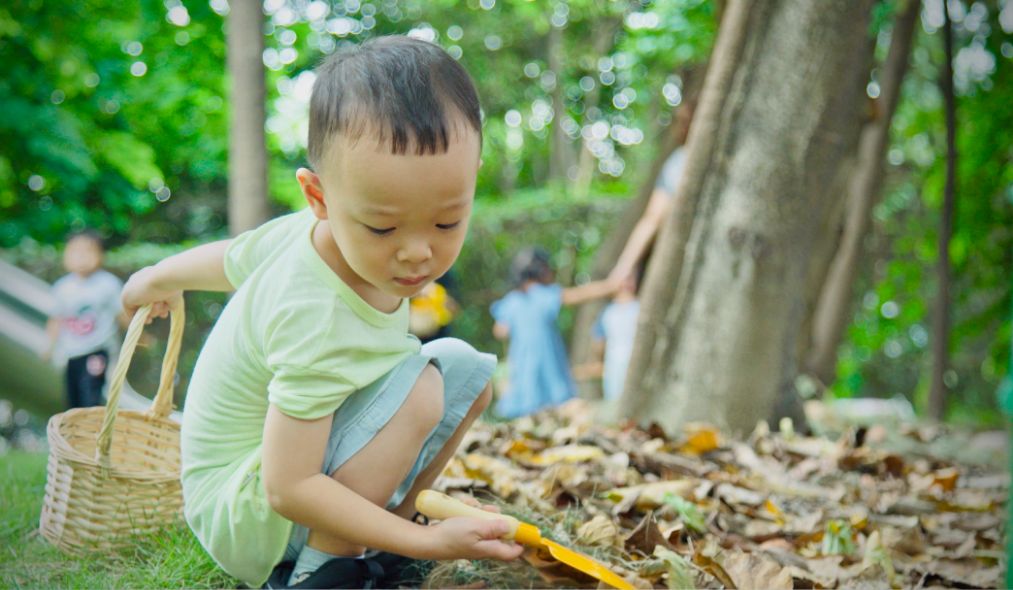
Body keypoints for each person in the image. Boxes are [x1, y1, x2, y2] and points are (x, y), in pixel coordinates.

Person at [120, 36, 523, 589]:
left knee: (466, 371)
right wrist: (431, 543)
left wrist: (155, 278)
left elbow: (232, 259)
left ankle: (386, 532)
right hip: (247, 511)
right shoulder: (312, 311)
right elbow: (290, 486)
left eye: (446, 222)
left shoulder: (312, 236)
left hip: (275, 488)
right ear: (319, 198)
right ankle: (325, 570)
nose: (417, 252)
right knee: (424, 388)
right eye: (382, 227)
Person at [491, 247, 617, 418]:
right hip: (547, 358)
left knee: (529, 405)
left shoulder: (512, 300)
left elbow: (500, 331)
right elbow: (579, 294)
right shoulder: (544, 294)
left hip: (523, 362)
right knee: (557, 401)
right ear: (541, 271)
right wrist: (611, 285)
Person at [608, 104, 694, 283]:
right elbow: (653, 217)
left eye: (686, 121)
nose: (681, 127)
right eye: (680, 122)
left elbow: (653, 217)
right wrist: (624, 267)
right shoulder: (678, 161)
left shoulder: (681, 160)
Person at [43, 230, 125, 409]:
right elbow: (56, 319)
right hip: (72, 353)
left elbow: (122, 314)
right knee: (72, 396)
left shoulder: (108, 284)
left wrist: (140, 337)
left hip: (97, 351)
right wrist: (49, 347)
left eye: (87, 252)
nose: (81, 258)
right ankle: (73, 433)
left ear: (100, 255)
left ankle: (91, 432)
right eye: (75, 252)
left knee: (91, 394)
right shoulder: (62, 287)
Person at [574, 267, 642, 403]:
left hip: (637, 363)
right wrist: (596, 361)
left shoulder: (640, 308)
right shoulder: (607, 313)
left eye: (631, 278)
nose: (627, 283)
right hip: (614, 365)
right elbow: (598, 342)